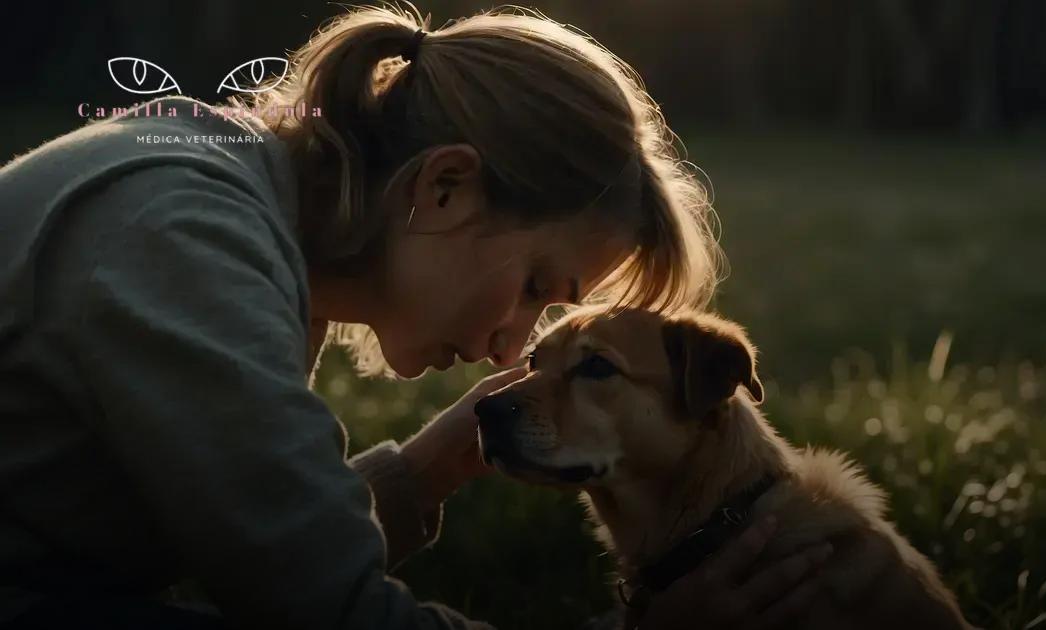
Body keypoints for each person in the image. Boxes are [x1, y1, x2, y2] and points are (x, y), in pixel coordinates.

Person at [0, 5, 828, 629]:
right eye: (538, 284)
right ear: (445, 188)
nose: (512, 344)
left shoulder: (233, 201)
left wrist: (424, 473)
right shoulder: (186, 241)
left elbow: (249, 551)